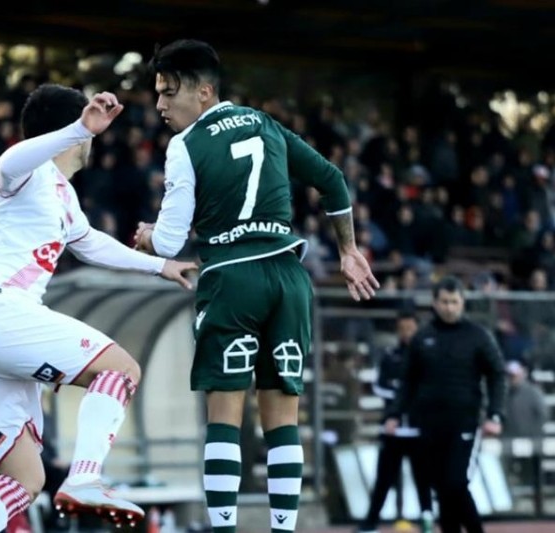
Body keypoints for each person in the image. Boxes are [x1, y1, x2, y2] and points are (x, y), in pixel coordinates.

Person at [134, 39, 379, 533]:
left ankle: (224, 529)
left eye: (168, 92)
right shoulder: (263, 123)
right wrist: (350, 249)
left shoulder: (185, 145)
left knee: (225, 415)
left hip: (232, 278)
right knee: (282, 416)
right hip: (289, 278)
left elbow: (170, 239)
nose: (160, 105)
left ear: (203, 93)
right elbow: (332, 180)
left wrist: (146, 239)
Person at [0, 84, 198, 532]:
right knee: (122, 369)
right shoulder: (26, 172)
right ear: (76, 131)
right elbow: (5, 164)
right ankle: (86, 477)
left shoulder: (63, 196)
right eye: (87, 128)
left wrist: (160, 266)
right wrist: (79, 125)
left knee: (23, 479)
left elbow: (91, 244)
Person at [386, 276, 506, 533]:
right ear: (434, 303)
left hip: (464, 422)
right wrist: (394, 414)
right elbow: (408, 380)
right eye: (444, 301)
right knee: (440, 487)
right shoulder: (423, 337)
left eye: (454, 302)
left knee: (456, 482)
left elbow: (497, 374)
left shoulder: (477, 336)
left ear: (462, 302)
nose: (449, 307)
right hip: (428, 424)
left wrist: (495, 414)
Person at [358, 311, 432, 533]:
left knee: (423, 479)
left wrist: (407, 395)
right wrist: (400, 398)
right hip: (393, 431)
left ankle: (427, 521)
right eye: (402, 329)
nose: (407, 334)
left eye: (411, 329)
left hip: (419, 429)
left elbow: (430, 388)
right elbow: (379, 386)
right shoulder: (390, 355)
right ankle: (370, 523)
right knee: (383, 479)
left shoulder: (427, 356)